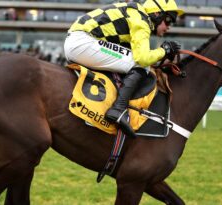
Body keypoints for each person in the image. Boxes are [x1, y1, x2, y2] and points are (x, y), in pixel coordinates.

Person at [64, 0, 183, 138]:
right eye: (168, 21)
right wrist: (164, 50)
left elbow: (131, 52)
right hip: (83, 42)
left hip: (79, 41)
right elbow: (143, 58)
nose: (169, 27)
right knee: (141, 65)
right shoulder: (141, 21)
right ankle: (118, 109)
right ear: (156, 14)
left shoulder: (136, 13)